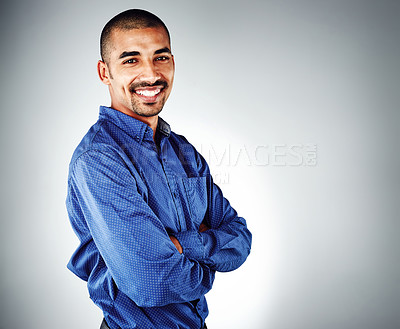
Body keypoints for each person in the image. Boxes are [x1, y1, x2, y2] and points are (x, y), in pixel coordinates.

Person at [66, 9, 252, 329]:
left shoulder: (183, 151)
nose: (151, 74)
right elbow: (152, 282)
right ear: (104, 71)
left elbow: (239, 239)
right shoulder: (100, 159)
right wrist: (207, 263)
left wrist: (182, 246)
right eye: (131, 60)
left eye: (160, 57)